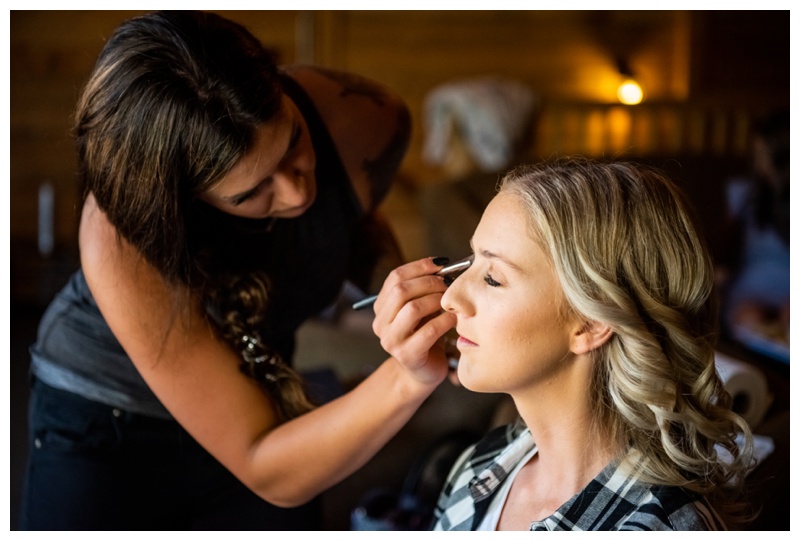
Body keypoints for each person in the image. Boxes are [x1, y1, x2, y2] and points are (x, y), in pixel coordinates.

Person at [19, 10, 454, 530]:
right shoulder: (122, 239)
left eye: (293, 139)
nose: (298, 192)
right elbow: (267, 465)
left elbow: (352, 219)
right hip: (110, 423)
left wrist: (405, 287)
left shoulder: (360, 118)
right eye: (252, 192)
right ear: (183, 200)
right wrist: (407, 375)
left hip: (259, 383)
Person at [371, 158, 756, 531]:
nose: (449, 297)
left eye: (492, 278)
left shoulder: (658, 527)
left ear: (590, 323)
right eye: (468, 262)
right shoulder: (481, 463)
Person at [717, 110, 789, 359]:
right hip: (752, 283)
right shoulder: (743, 194)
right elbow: (726, 247)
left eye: (763, 152)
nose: (757, 159)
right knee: (749, 320)